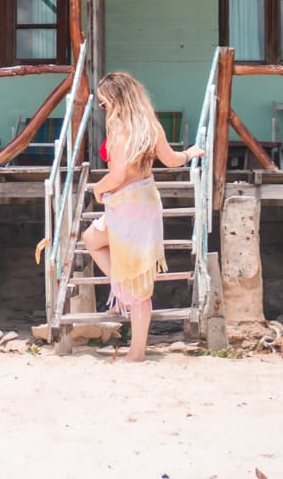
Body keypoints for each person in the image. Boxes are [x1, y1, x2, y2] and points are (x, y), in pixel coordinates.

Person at [82, 71, 205, 361]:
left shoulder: (120, 130)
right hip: (145, 199)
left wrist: (98, 189)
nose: (104, 108)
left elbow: (118, 174)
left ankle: (136, 352)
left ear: (116, 100)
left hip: (126, 203)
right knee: (93, 239)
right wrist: (191, 153)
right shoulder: (150, 125)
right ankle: (121, 290)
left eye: (104, 102)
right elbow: (172, 160)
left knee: (136, 284)